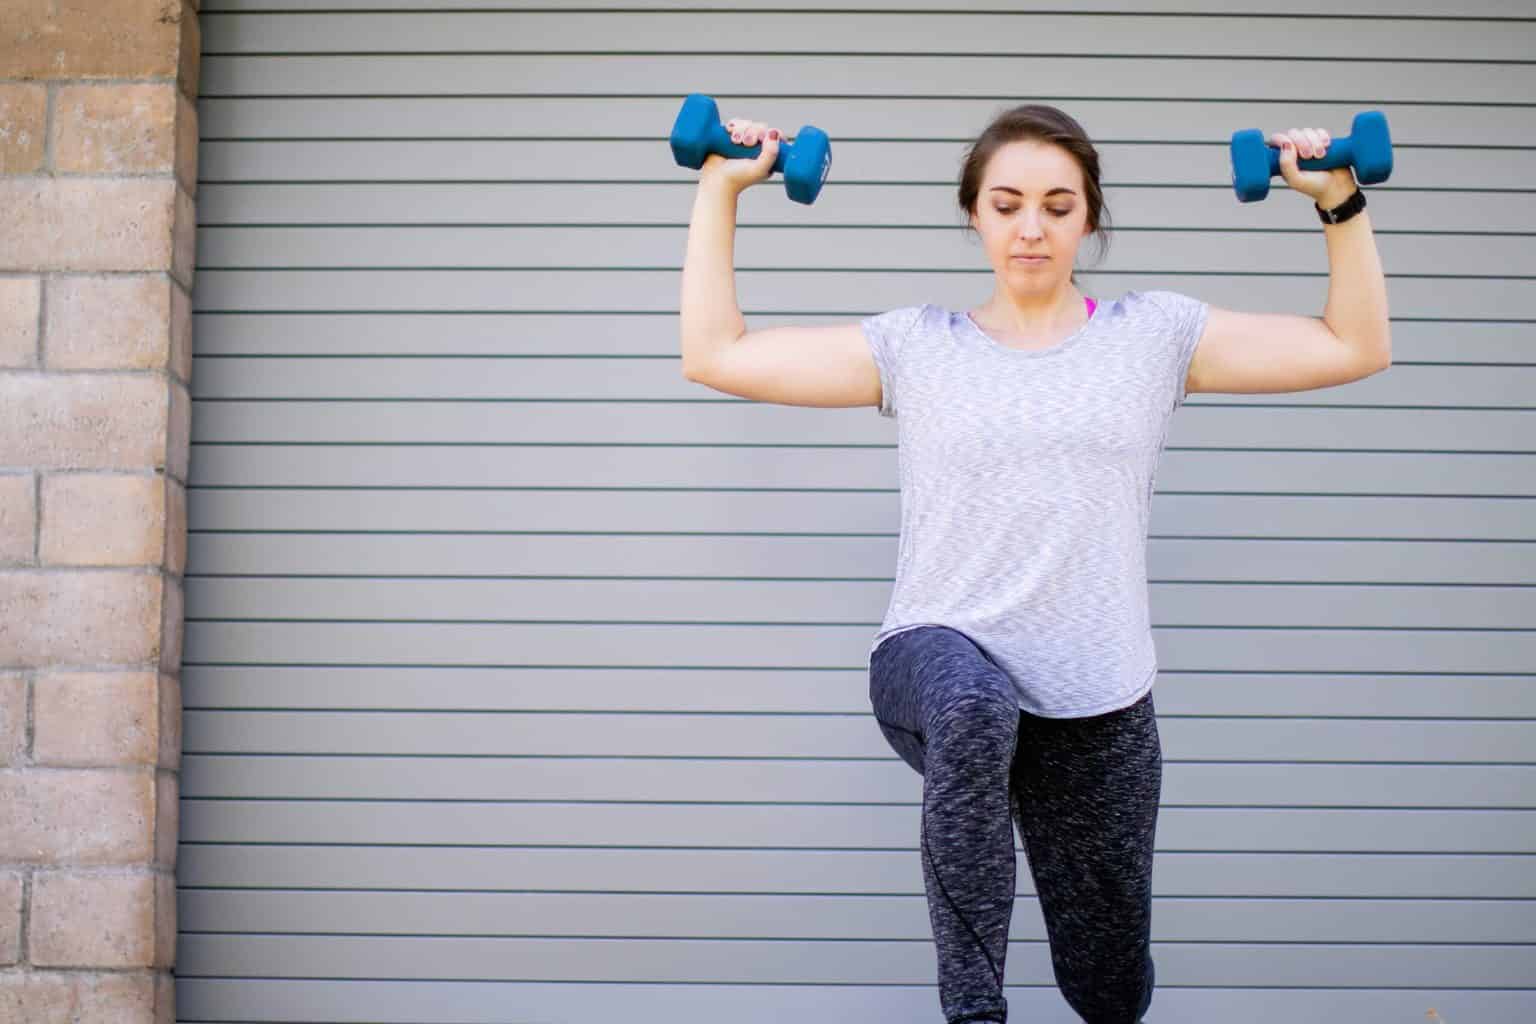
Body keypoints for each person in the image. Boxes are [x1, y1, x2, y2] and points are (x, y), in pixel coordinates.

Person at [678, 104, 1390, 1024]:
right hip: (936, 655)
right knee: (974, 706)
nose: (1031, 227)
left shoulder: (1153, 336)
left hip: (1096, 700)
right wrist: (719, 187)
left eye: (1058, 206)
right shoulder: (916, 347)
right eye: (1007, 203)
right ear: (973, 212)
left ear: (1088, 219)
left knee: (1107, 981)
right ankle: (975, 1013)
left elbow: (1356, 344)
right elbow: (715, 352)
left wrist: (1338, 199)